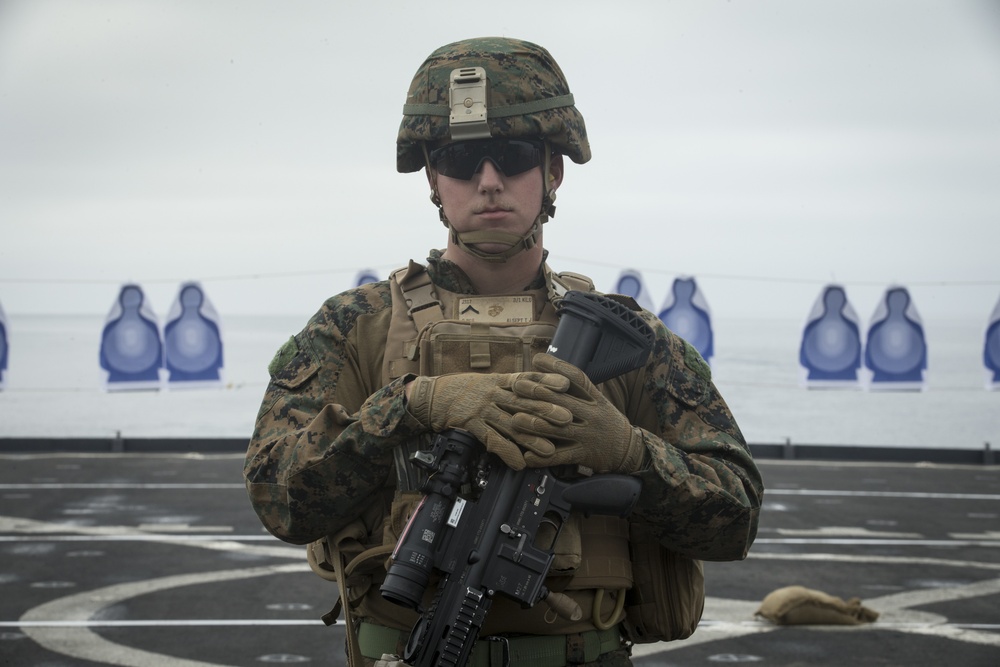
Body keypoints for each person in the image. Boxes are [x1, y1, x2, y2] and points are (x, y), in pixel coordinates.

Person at [244, 37, 764, 667]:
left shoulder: (627, 340)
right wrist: (413, 407)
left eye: (513, 156)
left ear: (553, 170)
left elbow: (735, 517)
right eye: (461, 162)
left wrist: (628, 453)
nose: (487, 182)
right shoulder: (357, 327)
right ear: (434, 177)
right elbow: (279, 497)